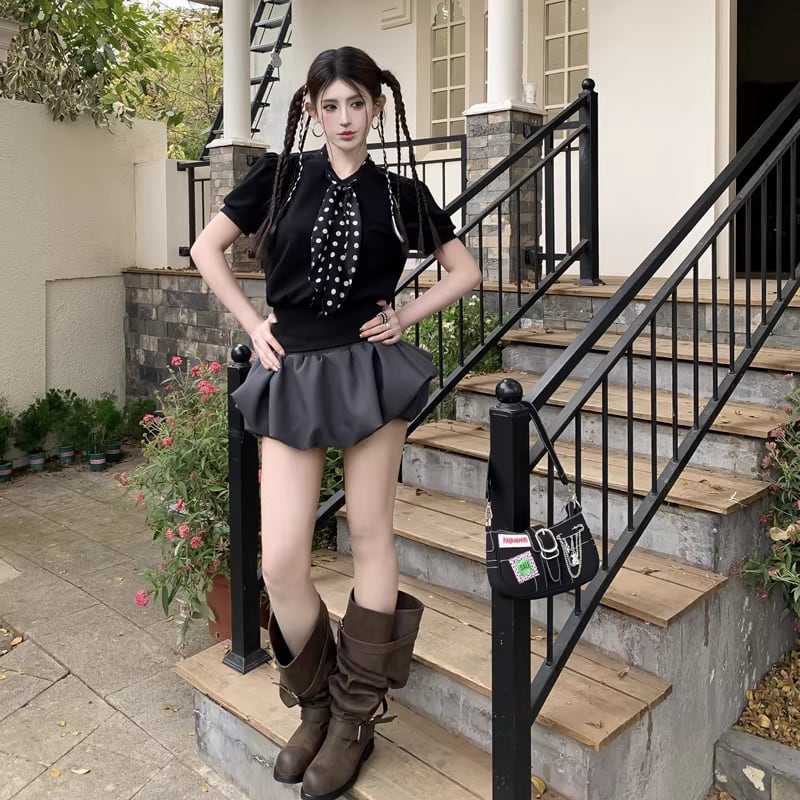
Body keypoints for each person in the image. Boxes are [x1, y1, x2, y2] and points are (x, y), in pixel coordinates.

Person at [190, 46, 481, 800]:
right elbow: (206, 249)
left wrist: (406, 314)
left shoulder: (401, 193)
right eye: (331, 106)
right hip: (293, 372)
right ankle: (316, 706)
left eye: (357, 103)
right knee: (282, 562)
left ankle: (354, 719)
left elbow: (466, 271)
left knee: (370, 536)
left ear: (376, 107)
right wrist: (253, 324)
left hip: (368, 370)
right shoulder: (279, 178)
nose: (345, 118)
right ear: (312, 111)